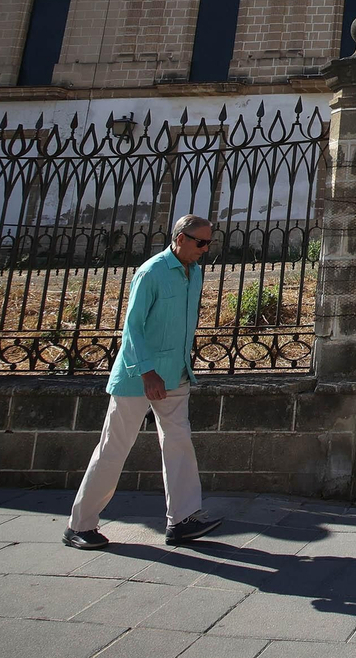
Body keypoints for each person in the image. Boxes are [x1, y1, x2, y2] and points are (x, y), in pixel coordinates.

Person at [64, 214, 222, 549]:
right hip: (139, 377)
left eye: (209, 243)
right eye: (200, 242)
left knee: (179, 444)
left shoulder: (194, 274)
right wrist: (147, 372)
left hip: (175, 375)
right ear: (180, 238)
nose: (205, 250)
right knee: (113, 448)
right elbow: (132, 328)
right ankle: (80, 525)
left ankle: (182, 519)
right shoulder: (151, 272)